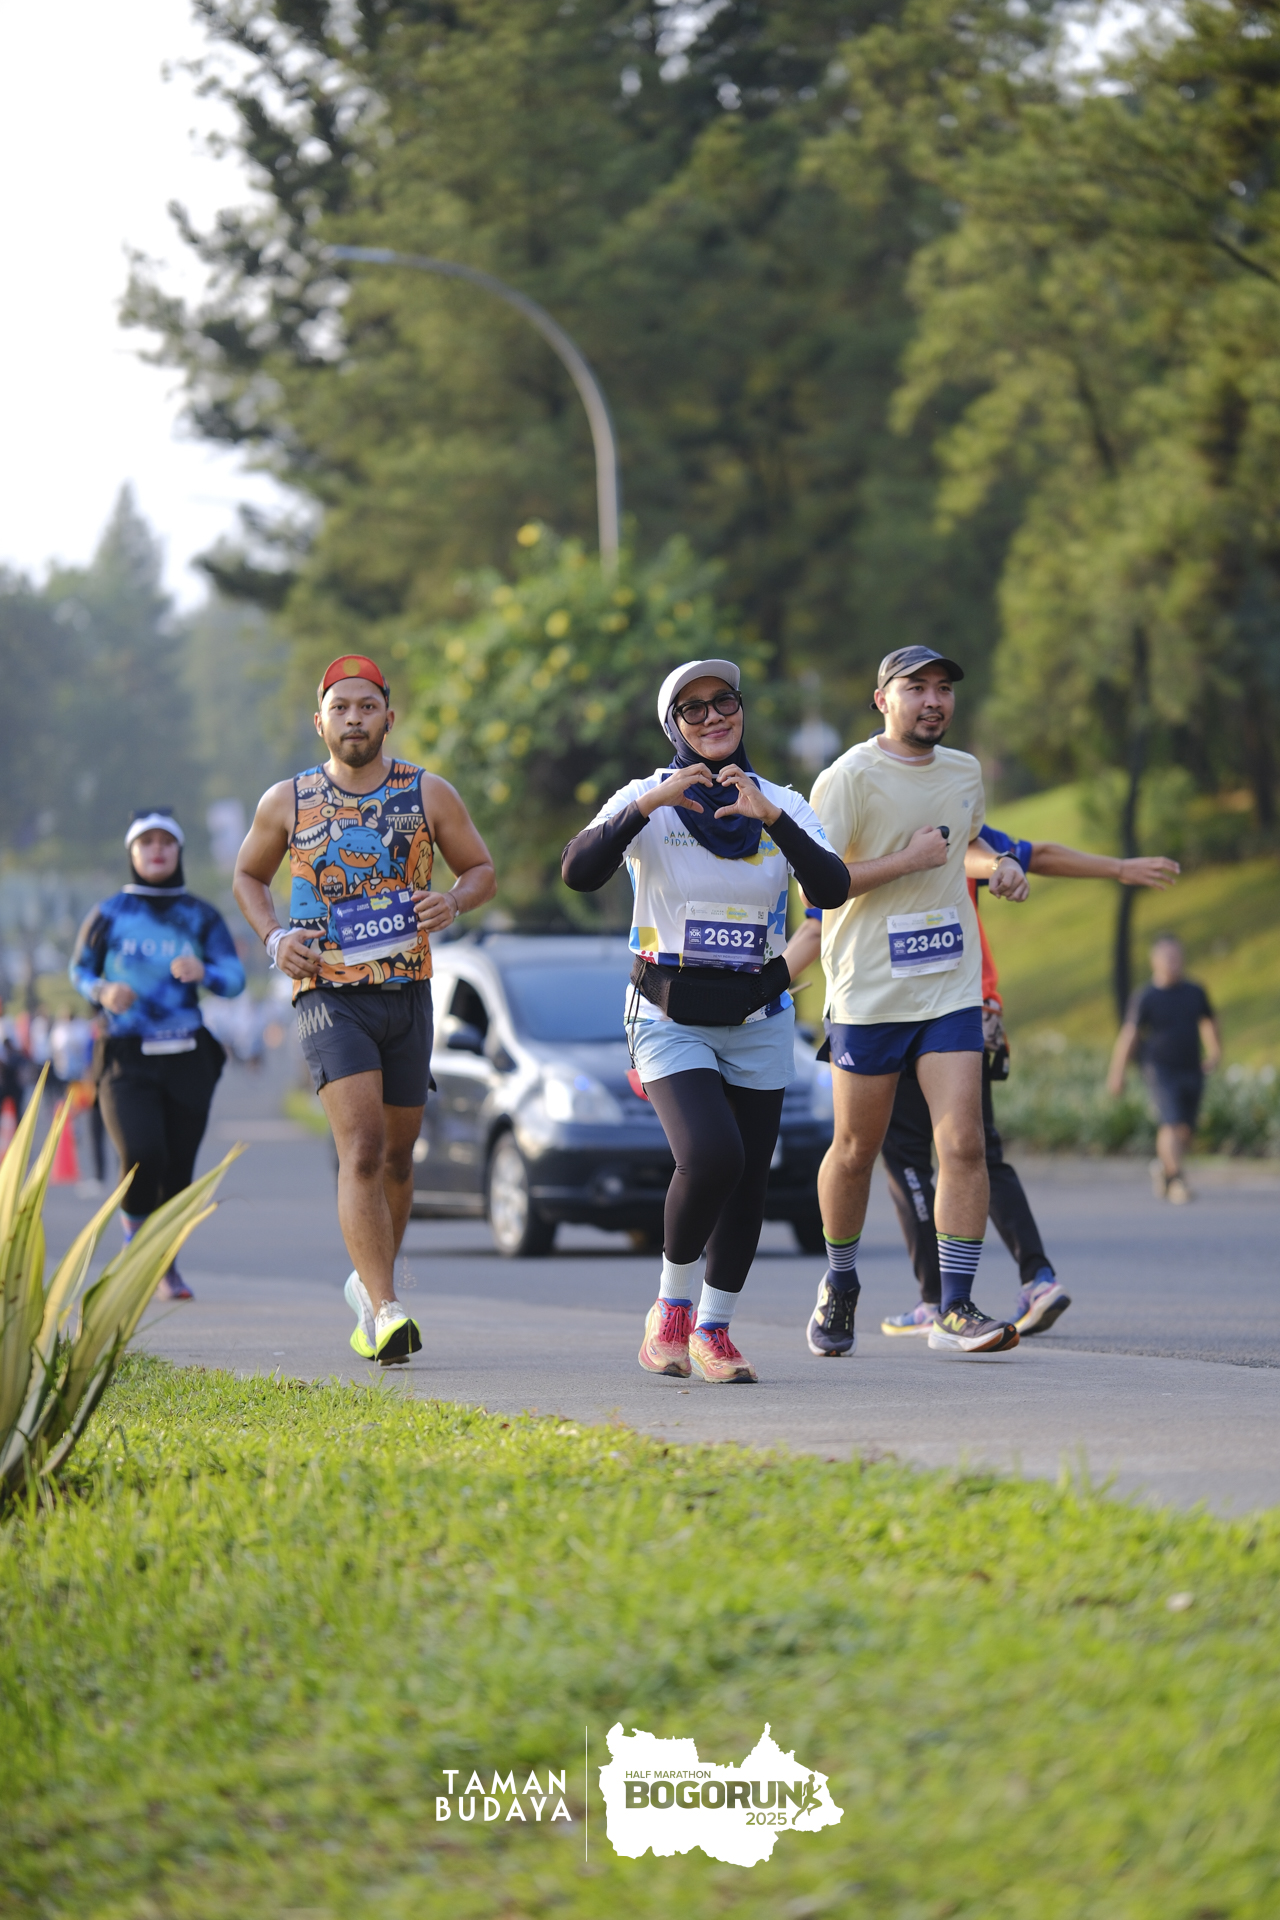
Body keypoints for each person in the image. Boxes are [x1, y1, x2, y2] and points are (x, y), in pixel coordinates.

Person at [562, 658, 849, 1384]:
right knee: (713, 1155)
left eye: (725, 701)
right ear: (674, 727)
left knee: (749, 1177)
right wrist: (649, 804)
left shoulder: (779, 801)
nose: (713, 716)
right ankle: (672, 1312)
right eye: (693, 709)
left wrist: (772, 819)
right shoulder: (646, 798)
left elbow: (833, 888)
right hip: (668, 1011)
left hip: (758, 1013)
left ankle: (714, 1330)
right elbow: (577, 870)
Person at [791, 831, 1181, 1334]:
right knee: (974, 1150)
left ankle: (939, 1301)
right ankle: (1034, 1278)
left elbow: (817, 925)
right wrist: (1119, 869)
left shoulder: (938, 822)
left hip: (917, 1011)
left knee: (918, 1156)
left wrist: (769, 981)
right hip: (950, 1009)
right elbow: (1034, 854)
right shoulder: (925, 825)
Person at [233, 653, 496, 1365]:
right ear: (319, 722)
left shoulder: (427, 792)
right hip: (328, 993)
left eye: (367, 706)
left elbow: (481, 869)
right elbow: (248, 876)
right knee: (364, 1149)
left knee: (401, 1160)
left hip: (407, 991)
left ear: (388, 717)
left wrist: (453, 900)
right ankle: (384, 1309)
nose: (354, 718)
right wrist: (275, 937)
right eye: (340, 708)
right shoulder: (286, 800)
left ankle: (370, 1282)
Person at [805, 644, 1029, 1359]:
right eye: (916, 688)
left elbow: (966, 845)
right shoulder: (847, 779)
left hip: (949, 987)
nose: (933, 700)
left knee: (963, 1143)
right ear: (883, 700)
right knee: (855, 1150)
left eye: (943, 689)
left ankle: (954, 1305)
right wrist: (908, 859)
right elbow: (819, 884)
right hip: (869, 993)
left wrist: (1001, 864)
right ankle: (841, 1280)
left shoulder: (964, 772)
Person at [70, 810, 246, 1299]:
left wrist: (205, 972)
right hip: (126, 1055)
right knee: (142, 1153)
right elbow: (78, 970)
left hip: (188, 1055)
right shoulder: (109, 913)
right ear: (132, 852)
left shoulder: (200, 915)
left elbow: (235, 979)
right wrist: (103, 991)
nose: (156, 850)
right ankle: (135, 1251)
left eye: (165, 841)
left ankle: (165, 1265)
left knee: (178, 1169)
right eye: (146, 842)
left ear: (178, 851)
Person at [1108, 934, 1220, 1204]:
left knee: (1185, 1130)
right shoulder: (1146, 996)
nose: (1173, 962)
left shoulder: (1195, 991)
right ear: (1154, 961)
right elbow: (1130, 1035)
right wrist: (1117, 1072)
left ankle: (1164, 1166)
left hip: (1191, 1066)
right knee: (1170, 1124)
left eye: (1177, 957)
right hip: (1159, 1068)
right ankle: (1177, 1180)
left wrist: (1215, 1051)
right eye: (1167, 957)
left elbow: (1209, 1021)